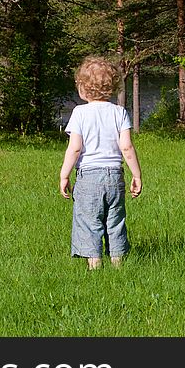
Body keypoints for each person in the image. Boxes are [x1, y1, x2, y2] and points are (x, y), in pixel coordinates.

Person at [59, 56, 143, 269]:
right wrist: (137, 175)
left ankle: (94, 264)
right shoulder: (119, 112)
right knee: (115, 221)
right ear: (112, 87)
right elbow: (126, 147)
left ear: (83, 89)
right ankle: (117, 263)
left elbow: (75, 148)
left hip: (89, 177)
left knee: (89, 221)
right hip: (115, 176)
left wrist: (64, 175)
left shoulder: (79, 113)